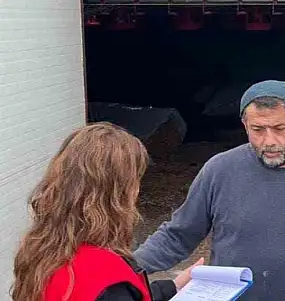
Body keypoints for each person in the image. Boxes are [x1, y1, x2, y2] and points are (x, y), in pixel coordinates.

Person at [133, 80, 285, 301]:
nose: (269, 141)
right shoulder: (219, 170)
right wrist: (127, 267)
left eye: (280, 129)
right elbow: (179, 235)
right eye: (257, 130)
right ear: (245, 125)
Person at [11, 122, 203, 301]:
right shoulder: (108, 276)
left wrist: (174, 286)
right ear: (117, 195)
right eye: (135, 181)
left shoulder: (42, 249)